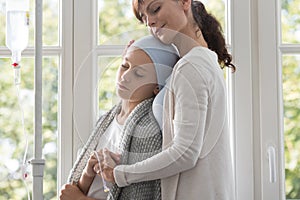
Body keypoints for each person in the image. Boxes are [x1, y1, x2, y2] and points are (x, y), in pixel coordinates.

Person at [100, 0, 236, 200]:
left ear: (184, 2)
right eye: (144, 18)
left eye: (155, 9)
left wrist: (120, 174)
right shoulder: (199, 62)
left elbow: (185, 153)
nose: (150, 22)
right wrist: (130, 64)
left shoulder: (191, 67)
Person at [59, 35, 179, 200]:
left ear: (157, 87)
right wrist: (87, 172)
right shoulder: (106, 120)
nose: (125, 76)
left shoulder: (148, 134)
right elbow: (73, 192)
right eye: (124, 65)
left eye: (138, 74)